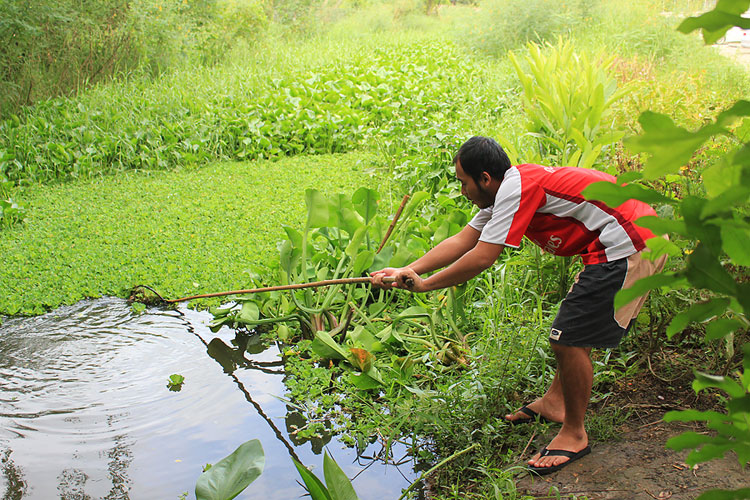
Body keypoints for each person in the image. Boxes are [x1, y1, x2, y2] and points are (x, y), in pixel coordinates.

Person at [370, 136, 667, 475]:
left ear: (484, 178)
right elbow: (463, 240)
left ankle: (574, 433)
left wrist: (426, 286)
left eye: (463, 183)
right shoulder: (505, 192)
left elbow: (482, 256)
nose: (462, 191)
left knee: (567, 338)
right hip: (613, 244)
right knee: (572, 330)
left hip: (633, 242)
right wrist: (406, 271)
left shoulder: (517, 189)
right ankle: (555, 403)